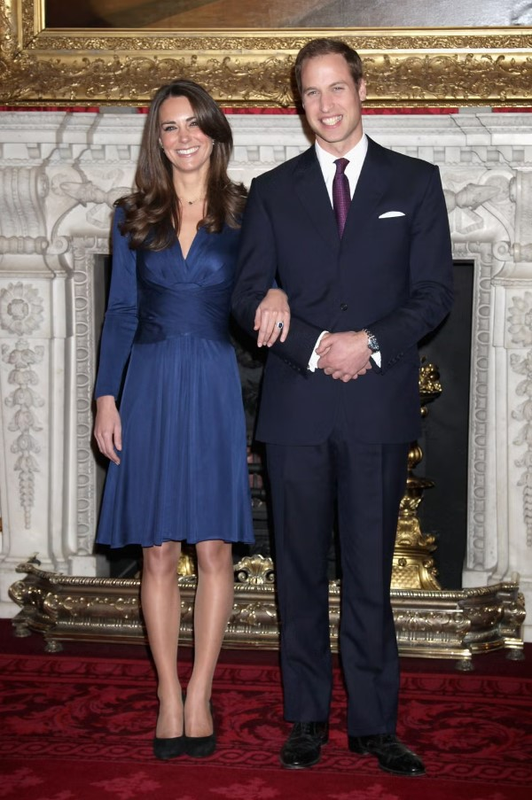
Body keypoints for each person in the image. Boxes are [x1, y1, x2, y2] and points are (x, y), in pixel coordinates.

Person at [232, 38, 454, 775]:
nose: (325, 105)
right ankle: (305, 719)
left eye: (336, 88)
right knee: (296, 571)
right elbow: (247, 294)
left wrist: (371, 343)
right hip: (296, 407)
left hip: (376, 406)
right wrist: (313, 342)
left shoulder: (415, 182)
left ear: (361, 90)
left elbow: (434, 294)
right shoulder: (271, 190)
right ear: (299, 104)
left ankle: (373, 724)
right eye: (310, 92)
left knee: (368, 572)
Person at [93, 79, 287, 761]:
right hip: (146, 382)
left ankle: (200, 690)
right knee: (156, 549)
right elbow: (121, 311)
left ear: (214, 132)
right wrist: (106, 398)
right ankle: (166, 695)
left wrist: (279, 290)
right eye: (170, 126)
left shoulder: (247, 212)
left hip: (211, 380)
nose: (184, 138)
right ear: (158, 138)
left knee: (213, 548)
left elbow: (269, 281)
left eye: (194, 124)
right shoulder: (132, 215)